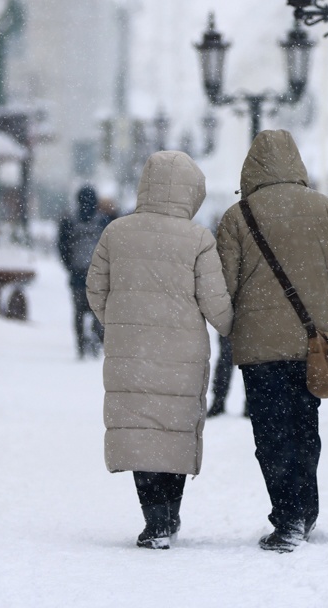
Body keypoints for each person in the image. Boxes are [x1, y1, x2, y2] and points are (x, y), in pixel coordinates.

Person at [216, 130, 328, 553]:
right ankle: (305, 509)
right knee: (305, 427)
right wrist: (324, 315)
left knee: (271, 433)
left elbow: (224, 284)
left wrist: (238, 324)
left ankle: (288, 518)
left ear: (252, 167)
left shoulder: (237, 216)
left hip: (259, 350)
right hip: (309, 345)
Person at [86, 151, 233, 550]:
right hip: (182, 351)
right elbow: (215, 301)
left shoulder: (116, 232)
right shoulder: (199, 238)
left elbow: (95, 289)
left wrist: (119, 321)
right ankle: (168, 513)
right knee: (173, 429)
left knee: (141, 432)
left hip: (130, 350)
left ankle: (154, 517)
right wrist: (232, 329)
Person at [57, 185, 110, 358]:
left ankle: (80, 344)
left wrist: (70, 266)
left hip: (78, 274)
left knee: (79, 311)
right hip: (98, 275)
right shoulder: (103, 221)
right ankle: (97, 338)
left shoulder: (70, 221)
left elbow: (62, 247)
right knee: (98, 310)